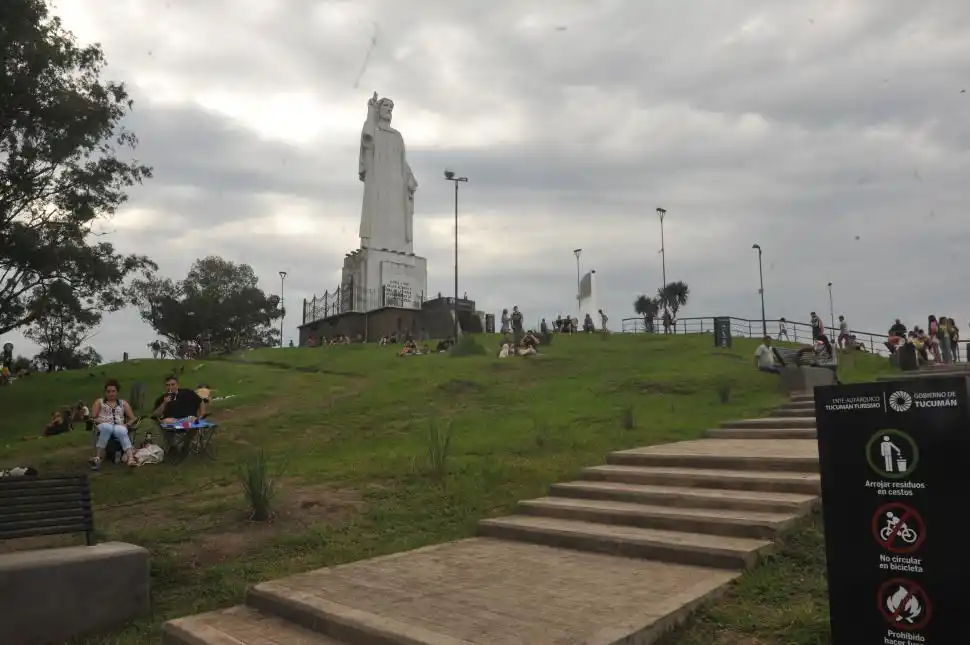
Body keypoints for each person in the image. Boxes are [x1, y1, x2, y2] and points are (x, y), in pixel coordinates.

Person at [90, 379, 137, 470]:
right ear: (105, 392)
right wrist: (99, 420)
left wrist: (127, 425)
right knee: (107, 427)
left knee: (122, 430)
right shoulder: (99, 402)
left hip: (118, 426)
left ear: (117, 392)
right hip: (103, 425)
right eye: (108, 391)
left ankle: (130, 458)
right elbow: (92, 418)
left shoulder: (123, 403)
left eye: (113, 391)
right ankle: (98, 457)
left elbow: (133, 418)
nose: (111, 394)